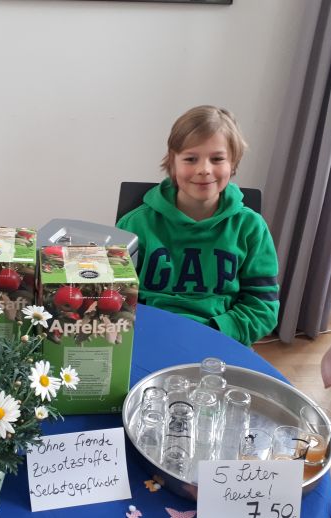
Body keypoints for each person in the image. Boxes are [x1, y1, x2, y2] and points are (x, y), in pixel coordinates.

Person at [116, 105, 279, 347]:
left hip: (220, 339)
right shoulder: (134, 224)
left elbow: (263, 305)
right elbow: (116, 298)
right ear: (173, 162)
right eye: (191, 159)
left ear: (233, 163)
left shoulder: (250, 227)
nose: (204, 169)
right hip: (148, 336)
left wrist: (213, 332)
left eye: (217, 159)